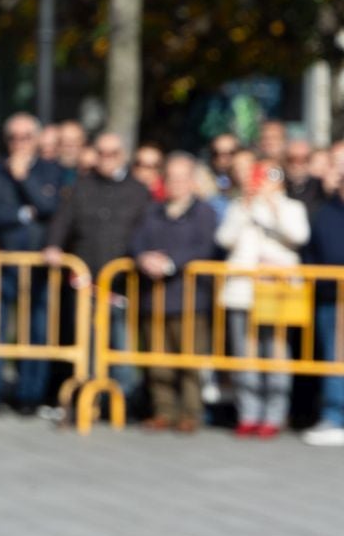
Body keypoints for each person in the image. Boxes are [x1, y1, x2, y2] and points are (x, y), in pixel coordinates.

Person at [45, 132, 151, 406]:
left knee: (120, 344)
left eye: (112, 153)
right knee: (87, 342)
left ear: (123, 156)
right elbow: (62, 221)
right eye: (101, 153)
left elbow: (146, 231)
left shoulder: (138, 190)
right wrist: (54, 245)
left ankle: (121, 400)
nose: (106, 159)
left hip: (122, 281)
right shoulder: (82, 186)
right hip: (86, 279)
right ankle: (89, 396)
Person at [0, 113, 64, 416]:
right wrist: (23, 214)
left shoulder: (51, 170)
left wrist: (24, 179)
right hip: (3, 261)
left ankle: (29, 395)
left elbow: (49, 207)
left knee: (35, 332)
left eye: (26, 136)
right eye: (13, 137)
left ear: (37, 139)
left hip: (38, 264)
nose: (19, 143)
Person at [129, 153, 222, 432]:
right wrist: (143, 258)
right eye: (172, 178)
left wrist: (170, 263)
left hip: (190, 299)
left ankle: (190, 413)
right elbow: (136, 242)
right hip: (154, 298)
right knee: (158, 361)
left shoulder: (204, 213)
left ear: (192, 181)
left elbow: (204, 247)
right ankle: (163, 410)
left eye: (182, 178)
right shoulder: (152, 211)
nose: (177, 184)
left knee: (190, 361)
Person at [217, 157, 309, 438]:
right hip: (243, 290)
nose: (265, 179)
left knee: (277, 353)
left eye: (271, 173)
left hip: (277, 290)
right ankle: (248, 413)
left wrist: (273, 209)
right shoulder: (239, 205)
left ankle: (274, 414)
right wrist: (245, 208)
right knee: (246, 355)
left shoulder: (292, 207)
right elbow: (224, 239)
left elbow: (299, 236)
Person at [302, 150, 344, 445]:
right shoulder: (325, 213)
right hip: (332, 298)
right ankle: (334, 416)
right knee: (334, 359)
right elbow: (312, 252)